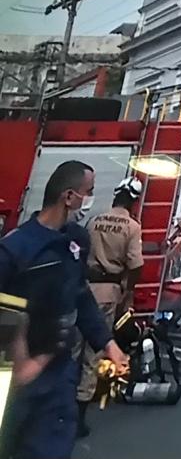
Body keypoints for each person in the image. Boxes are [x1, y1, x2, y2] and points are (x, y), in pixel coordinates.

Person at [0, 160, 128, 459]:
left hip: (58, 373)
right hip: (14, 377)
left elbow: (80, 296)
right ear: (69, 197)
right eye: (89, 191)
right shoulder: (15, 250)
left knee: (52, 447)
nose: (91, 199)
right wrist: (22, 364)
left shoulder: (76, 242)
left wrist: (109, 344)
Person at [74, 177, 144, 437]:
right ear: (134, 202)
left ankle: (58, 404)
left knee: (72, 347)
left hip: (82, 288)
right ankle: (79, 415)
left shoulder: (94, 220)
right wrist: (128, 291)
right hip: (108, 291)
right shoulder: (132, 227)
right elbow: (136, 265)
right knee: (93, 353)